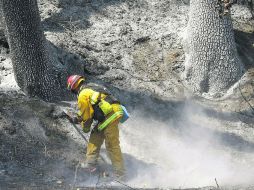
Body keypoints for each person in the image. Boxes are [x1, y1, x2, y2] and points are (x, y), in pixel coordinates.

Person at [66, 75, 126, 180]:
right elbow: (89, 110)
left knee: (112, 145)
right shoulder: (91, 87)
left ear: (73, 87)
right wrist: (77, 119)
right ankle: (90, 164)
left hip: (111, 114)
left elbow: (87, 117)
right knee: (95, 137)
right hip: (109, 114)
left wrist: (84, 128)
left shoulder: (82, 95)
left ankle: (120, 175)